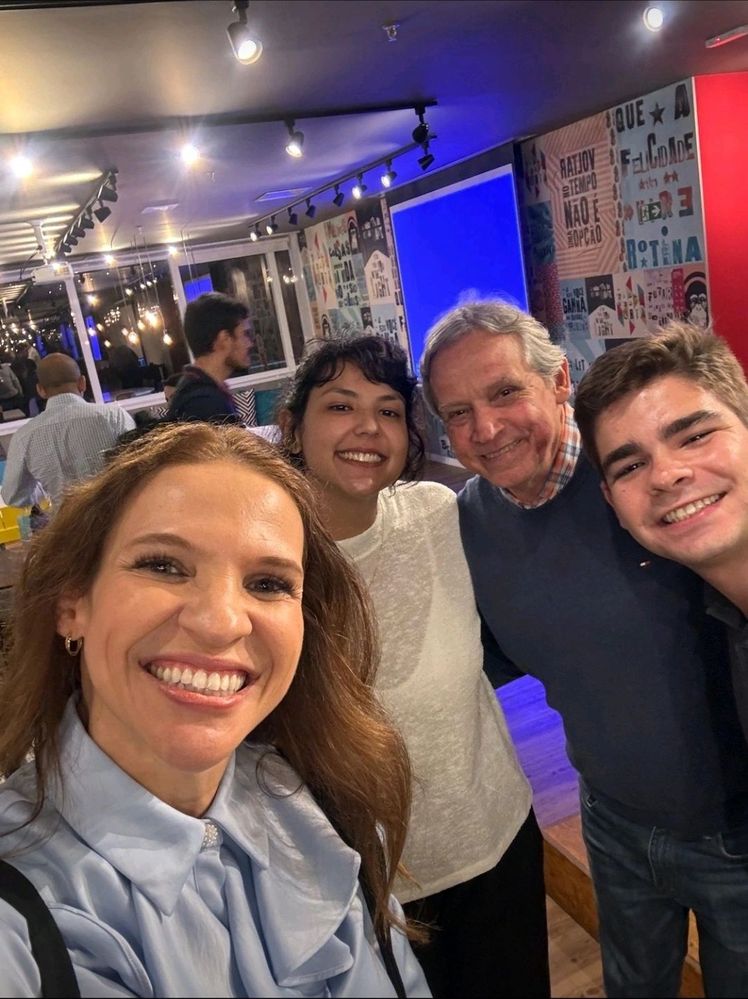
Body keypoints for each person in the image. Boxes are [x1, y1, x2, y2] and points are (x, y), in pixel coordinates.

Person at [0, 422, 429, 997]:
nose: (221, 621)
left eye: (268, 583)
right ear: (71, 604)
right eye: (163, 565)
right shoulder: (17, 914)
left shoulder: (329, 806)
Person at [421, 299, 748, 999]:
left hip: (733, 828)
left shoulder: (648, 485)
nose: (486, 428)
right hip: (610, 818)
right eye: (458, 412)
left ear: (560, 381)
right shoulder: (468, 523)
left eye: (505, 392)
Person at [278, 335, 548, 998]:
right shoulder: (267, 562)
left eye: (389, 411)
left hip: (496, 845)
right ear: (293, 426)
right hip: (365, 887)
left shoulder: (437, 514)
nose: (368, 427)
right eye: (340, 406)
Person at [574, 321, 748, 747]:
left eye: (695, 437)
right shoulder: (722, 615)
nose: (666, 476)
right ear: (612, 503)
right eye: (630, 466)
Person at [1, 353, 135, 508]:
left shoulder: (24, 437)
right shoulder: (114, 416)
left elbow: (13, 496)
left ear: (41, 390)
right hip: (119, 515)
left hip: (67, 521)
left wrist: (48, 487)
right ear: (82, 383)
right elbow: (137, 468)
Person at [166, 292, 252, 424]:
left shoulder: (199, 391)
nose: (250, 343)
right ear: (224, 339)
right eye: (245, 334)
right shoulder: (206, 404)